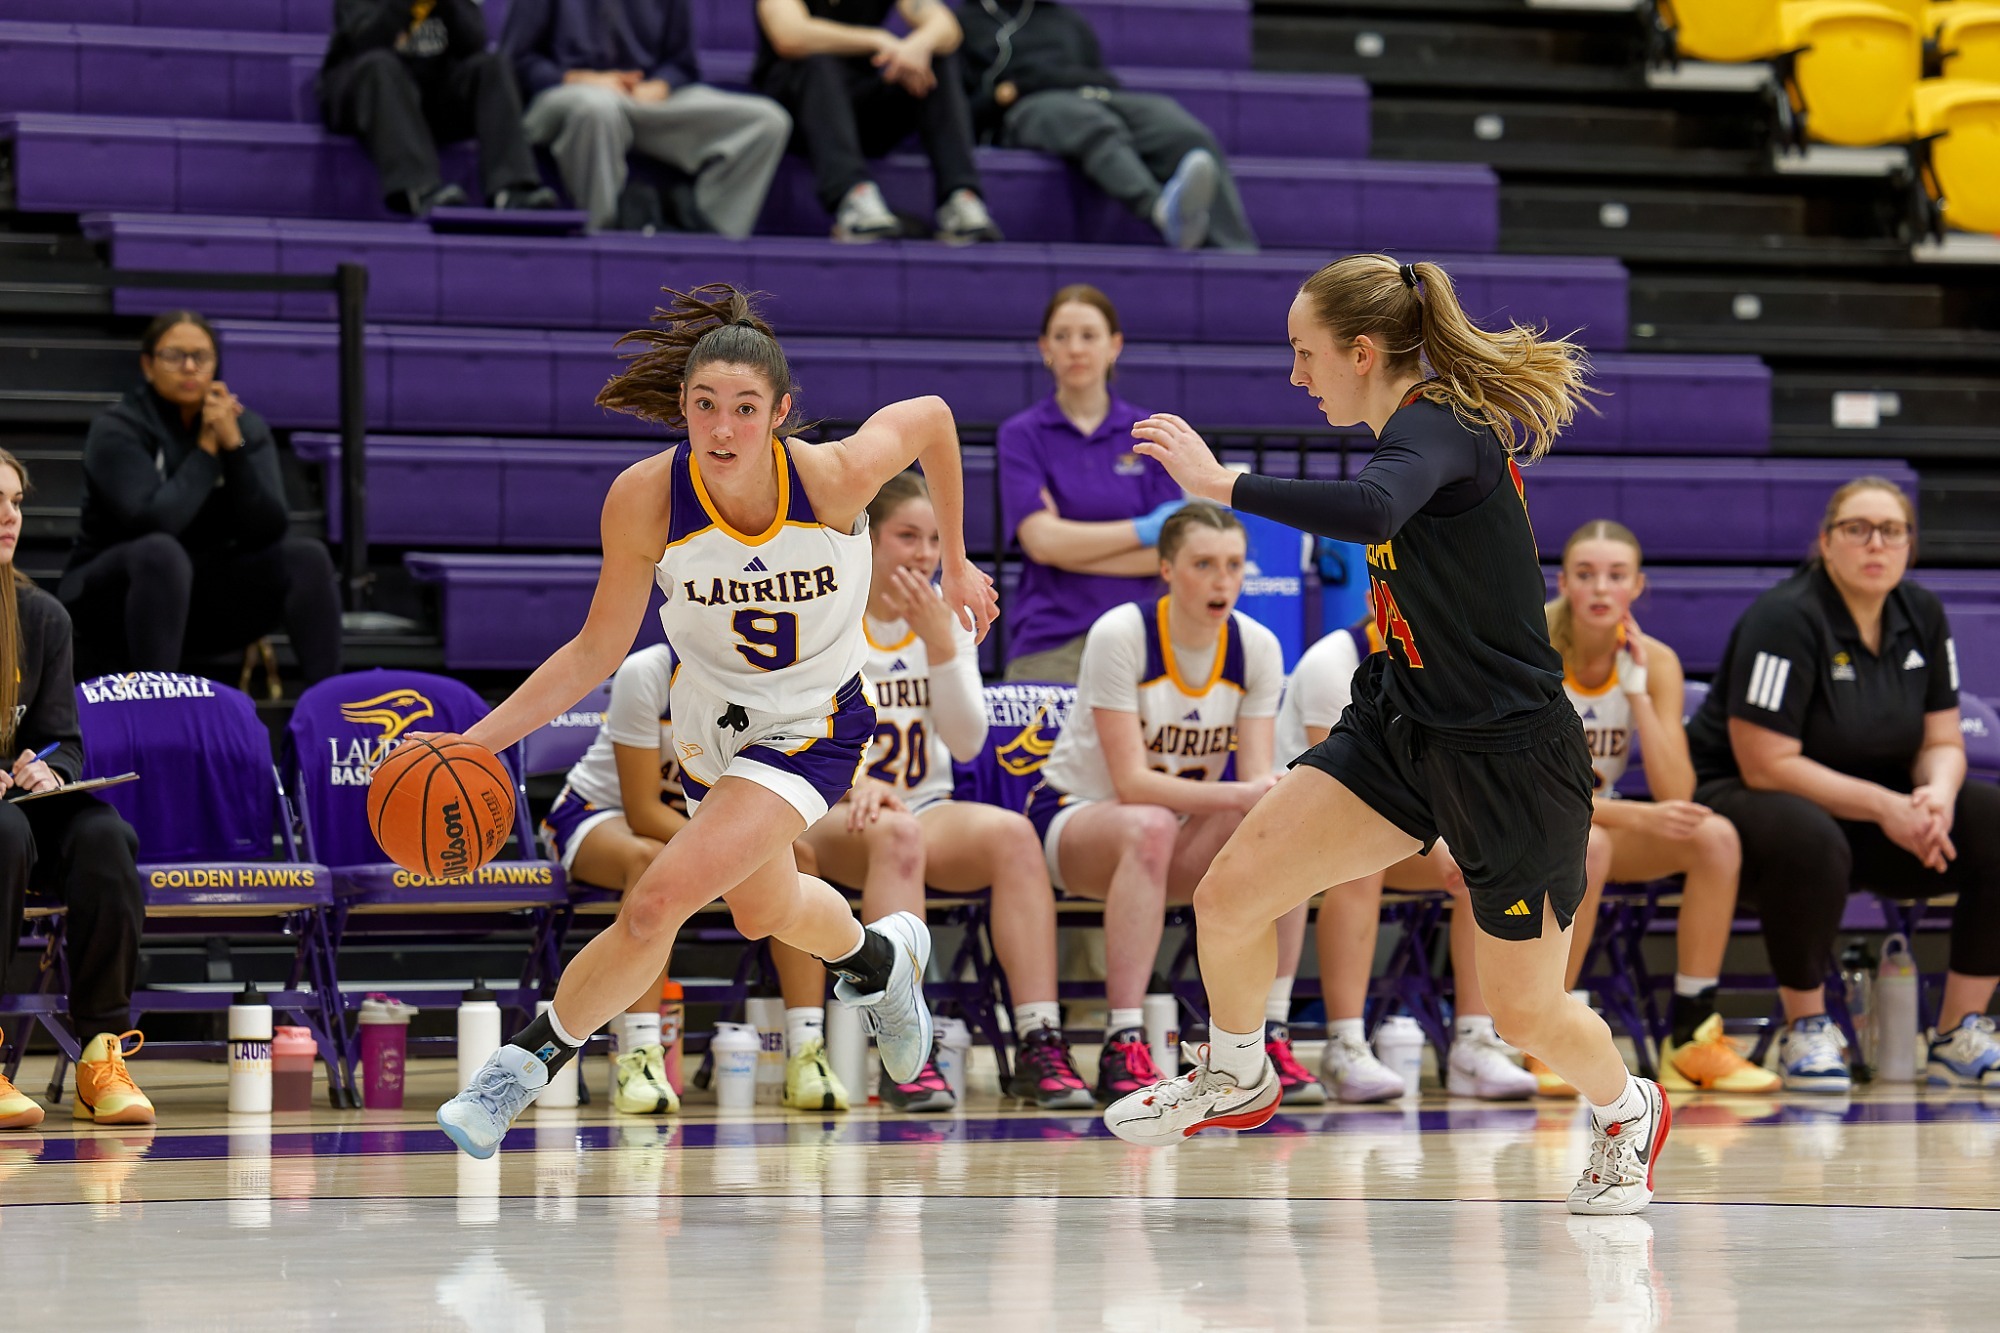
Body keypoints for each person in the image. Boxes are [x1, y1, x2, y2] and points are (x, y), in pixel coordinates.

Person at [1102, 255, 1671, 1219]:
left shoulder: (1442, 426)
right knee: (1230, 896)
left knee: (1523, 1011)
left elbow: (1372, 508)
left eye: (1305, 353)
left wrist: (1219, 481)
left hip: (1509, 757)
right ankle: (1237, 1072)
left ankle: (1627, 1108)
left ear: (1362, 352)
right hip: (1402, 724)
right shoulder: (1408, 432)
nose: (1296, 375)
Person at [436, 284, 996, 1158]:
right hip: (713, 728)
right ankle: (881, 963)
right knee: (764, 908)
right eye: (705, 405)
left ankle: (518, 1069)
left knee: (656, 900)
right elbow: (592, 652)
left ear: (779, 414)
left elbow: (933, 415)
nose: (723, 428)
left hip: (814, 722)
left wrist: (956, 563)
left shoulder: (833, 478)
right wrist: (471, 745)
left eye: (743, 408)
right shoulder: (644, 500)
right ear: (683, 408)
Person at [1687, 477, 2000, 1092]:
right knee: (1810, 836)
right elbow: (1765, 763)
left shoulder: (1923, 614)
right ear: (1826, 542)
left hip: (1874, 812)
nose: (1875, 543)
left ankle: (1958, 1031)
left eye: (1891, 531)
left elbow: (1942, 741)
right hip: (1750, 805)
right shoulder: (1783, 618)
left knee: (1993, 822)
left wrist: (1934, 797)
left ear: (1910, 545)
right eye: (1857, 529)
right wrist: (1887, 807)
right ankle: (1806, 1029)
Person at [795, 471, 1093, 1110]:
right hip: (829, 805)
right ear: (869, 537)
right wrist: (853, 782)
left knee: (1013, 837)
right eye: (908, 536)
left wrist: (939, 647)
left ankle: (1040, 1040)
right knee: (897, 835)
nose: (926, 553)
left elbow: (964, 743)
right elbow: (791, 727)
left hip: (921, 805)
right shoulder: (824, 610)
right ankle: (906, 1047)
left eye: (935, 539)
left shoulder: (946, 615)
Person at [1023, 503, 1313, 1104]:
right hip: (1077, 820)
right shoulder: (1122, 633)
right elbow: (1131, 783)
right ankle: (1122, 1038)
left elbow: (1254, 780)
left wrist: (1261, 800)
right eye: (1203, 564)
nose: (1221, 580)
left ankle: (1270, 1031)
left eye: (1233, 565)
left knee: (1282, 831)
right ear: (1166, 569)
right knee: (1151, 823)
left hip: (1172, 835)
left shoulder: (1257, 646)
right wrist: (1243, 793)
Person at [542, 641, 846, 1113]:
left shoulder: (768, 675)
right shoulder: (647, 672)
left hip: (698, 825)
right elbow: (643, 811)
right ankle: (640, 1055)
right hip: (599, 814)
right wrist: (729, 854)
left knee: (798, 857)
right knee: (649, 860)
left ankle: (807, 1049)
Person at [1531, 520, 1777, 1096]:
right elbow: (1533, 787)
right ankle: (1549, 1034)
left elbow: (1676, 793)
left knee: (1714, 837)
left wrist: (1638, 692)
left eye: (1616, 576)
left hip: (1595, 823)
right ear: (1563, 582)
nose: (1600, 588)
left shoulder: (1655, 661)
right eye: (1586, 574)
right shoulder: (1532, 645)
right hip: (1524, 823)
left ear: (1637, 586)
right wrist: (1635, 816)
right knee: (1591, 844)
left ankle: (1692, 1035)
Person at [1278, 619, 1570, 1103]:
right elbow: (1339, 792)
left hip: (1404, 828)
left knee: (1486, 858)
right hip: (1310, 828)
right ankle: (1344, 1044)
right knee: (1359, 862)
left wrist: (1458, 838)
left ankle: (1474, 1042)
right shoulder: (1332, 662)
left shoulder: (1448, 659)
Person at [61, 313, 344, 686]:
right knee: (162, 553)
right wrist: (208, 453)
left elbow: (268, 528)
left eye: (201, 356)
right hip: (114, 596)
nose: (190, 367)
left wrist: (233, 448)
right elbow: (154, 522)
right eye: (174, 356)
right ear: (148, 365)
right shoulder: (117, 428)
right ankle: (157, 704)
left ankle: (329, 707)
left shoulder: (243, 427)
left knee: (306, 557)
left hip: (203, 600)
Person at [0, 451, 152, 1131]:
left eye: (16, 501)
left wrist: (50, 769)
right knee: (3, 832)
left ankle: (100, 1053)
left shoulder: (41, 616)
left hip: (17, 805)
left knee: (104, 835)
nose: (10, 515)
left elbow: (63, 738)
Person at [957, 0, 1256, 252]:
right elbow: (962, 111)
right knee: (1090, 123)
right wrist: (1004, 95)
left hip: (1095, 95)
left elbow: (1096, 73)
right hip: (1028, 107)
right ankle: (1160, 211)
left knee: (1182, 130)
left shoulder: (1069, 21)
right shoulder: (965, 23)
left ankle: (1236, 253)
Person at [998, 286, 1185, 683]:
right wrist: (1143, 530)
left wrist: (1067, 548)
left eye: (1089, 335)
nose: (1075, 349)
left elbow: (1169, 554)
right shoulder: (1021, 435)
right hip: (1050, 642)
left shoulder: (1151, 432)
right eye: (1062, 336)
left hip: (1143, 636)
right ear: (1045, 347)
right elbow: (1041, 543)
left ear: (1114, 345)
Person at [500, 0, 792, 236]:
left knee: (766, 121)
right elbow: (515, 60)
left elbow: (683, 64)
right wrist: (578, 78)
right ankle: (602, 236)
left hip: (645, 97)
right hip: (564, 94)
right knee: (597, 108)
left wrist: (661, 84)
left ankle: (707, 241)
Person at [753, 0, 1001, 243]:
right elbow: (790, 36)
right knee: (816, 61)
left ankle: (960, 198)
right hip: (795, 119)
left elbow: (947, 28)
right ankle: (853, 196)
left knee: (935, 58)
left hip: (857, 117)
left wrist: (918, 45)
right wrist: (877, 39)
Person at [320, 0, 558, 216]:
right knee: (380, 66)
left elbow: (474, 42)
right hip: (367, 96)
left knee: (492, 66)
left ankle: (511, 189)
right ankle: (419, 189)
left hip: (430, 96)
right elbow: (366, 40)